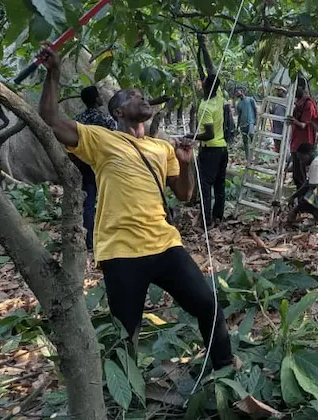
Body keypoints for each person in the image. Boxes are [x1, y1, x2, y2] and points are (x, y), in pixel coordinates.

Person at [36, 45, 232, 369]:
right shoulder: (101, 139)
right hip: (121, 251)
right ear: (118, 112)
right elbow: (50, 119)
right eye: (133, 96)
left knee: (209, 305)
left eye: (143, 95)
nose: (142, 98)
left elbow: (184, 194)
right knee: (126, 336)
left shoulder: (161, 146)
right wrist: (53, 71)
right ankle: (125, 401)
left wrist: (185, 163)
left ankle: (226, 374)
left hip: (165, 245)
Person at [71, 86, 117, 251]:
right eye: (99, 96)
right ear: (97, 99)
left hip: (86, 165)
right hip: (105, 164)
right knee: (110, 201)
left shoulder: (78, 120)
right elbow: (117, 140)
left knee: (89, 204)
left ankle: (89, 240)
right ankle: (111, 237)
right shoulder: (107, 120)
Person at [193, 74, 228, 227]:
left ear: (206, 86)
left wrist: (192, 136)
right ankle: (218, 216)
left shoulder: (205, 107)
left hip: (210, 150)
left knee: (205, 186)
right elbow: (210, 70)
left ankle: (206, 221)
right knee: (219, 185)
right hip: (222, 148)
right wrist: (203, 50)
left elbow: (209, 134)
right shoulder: (218, 96)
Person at [286, 78, 318, 188]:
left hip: (303, 145)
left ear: (302, 87)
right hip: (296, 143)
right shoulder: (299, 103)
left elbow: (303, 125)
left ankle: (303, 201)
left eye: (296, 88)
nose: (294, 91)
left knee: (301, 176)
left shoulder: (308, 104)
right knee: (297, 175)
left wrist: (293, 121)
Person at [234, 87, 258, 161]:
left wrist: (256, 120)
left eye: (237, 91)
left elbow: (255, 109)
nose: (236, 93)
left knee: (252, 135)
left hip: (251, 121)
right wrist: (237, 126)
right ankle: (248, 158)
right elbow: (239, 116)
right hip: (243, 124)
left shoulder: (250, 99)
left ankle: (255, 155)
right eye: (235, 93)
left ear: (242, 91)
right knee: (245, 142)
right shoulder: (239, 104)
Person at [271, 85, 288, 152]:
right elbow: (273, 112)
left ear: (283, 92)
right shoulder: (277, 102)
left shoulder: (286, 103)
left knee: (283, 149)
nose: (277, 92)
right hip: (276, 130)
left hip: (282, 131)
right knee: (278, 148)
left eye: (279, 90)